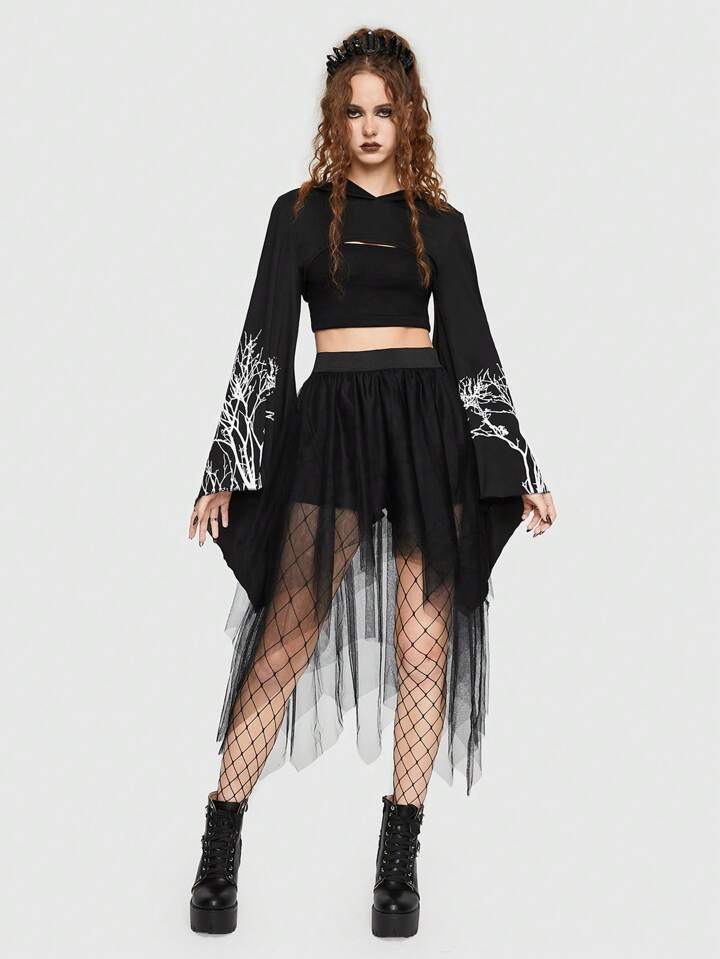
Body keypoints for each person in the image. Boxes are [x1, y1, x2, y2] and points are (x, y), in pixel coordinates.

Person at [186, 27, 557, 938]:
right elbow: (264, 338)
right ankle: (220, 840)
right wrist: (228, 465)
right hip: (335, 426)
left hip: (427, 429)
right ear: (334, 120)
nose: (368, 126)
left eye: (384, 109)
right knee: (288, 633)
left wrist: (518, 464)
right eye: (352, 111)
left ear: (409, 115)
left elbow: (473, 347)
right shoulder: (299, 215)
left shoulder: (443, 225)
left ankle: (399, 861)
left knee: (425, 646)